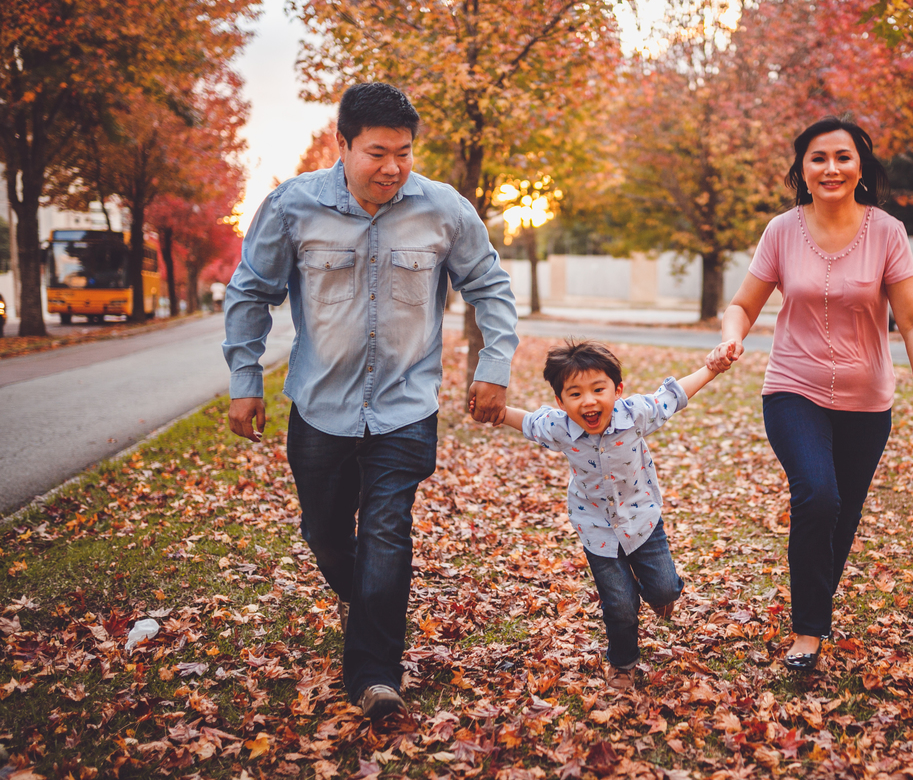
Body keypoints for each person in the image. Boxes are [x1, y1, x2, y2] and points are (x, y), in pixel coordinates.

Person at [222, 82, 518, 717]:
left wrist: (493, 365)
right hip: (320, 407)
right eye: (377, 153)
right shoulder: (292, 206)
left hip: (405, 407)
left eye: (403, 153)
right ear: (343, 143)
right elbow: (250, 292)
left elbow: (489, 285)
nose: (392, 168)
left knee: (387, 532)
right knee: (325, 534)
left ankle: (376, 675)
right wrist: (245, 379)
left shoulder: (443, 208)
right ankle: (372, 605)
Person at [707, 116, 913, 673]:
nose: (831, 168)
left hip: (868, 402)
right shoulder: (781, 231)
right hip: (794, 388)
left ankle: (813, 603)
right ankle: (808, 630)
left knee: (843, 514)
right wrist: (732, 337)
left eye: (842, 156)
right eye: (818, 158)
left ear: (860, 167)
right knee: (818, 496)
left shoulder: (887, 232)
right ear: (803, 170)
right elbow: (742, 304)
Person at [483, 340, 720, 689]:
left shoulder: (634, 414)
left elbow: (673, 396)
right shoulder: (560, 427)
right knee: (620, 605)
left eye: (598, 389)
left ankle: (656, 593)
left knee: (665, 590)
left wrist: (712, 369)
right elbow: (528, 422)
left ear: (617, 390)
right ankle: (623, 663)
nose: (589, 401)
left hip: (641, 520)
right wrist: (495, 411)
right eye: (575, 394)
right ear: (561, 401)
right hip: (597, 529)